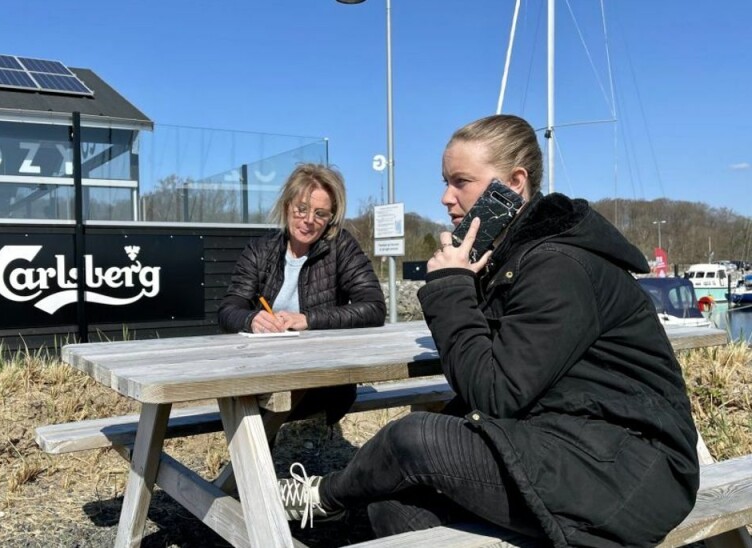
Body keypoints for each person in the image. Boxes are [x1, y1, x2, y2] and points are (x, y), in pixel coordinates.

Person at [277, 114, 699, 547]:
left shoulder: (558, 266)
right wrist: (468, 281)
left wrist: (451, 286)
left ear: (513, 184)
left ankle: (323, 495)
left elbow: (495, 392)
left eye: (461, 181)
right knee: (394, 507)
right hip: (563, 440)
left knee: (413, 436)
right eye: (446, 181)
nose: (445, 197)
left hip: (630, 468)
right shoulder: (510, 260)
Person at [218, 163, 386, 423]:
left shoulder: (341, 247)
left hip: (324, 379)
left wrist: (307, 319)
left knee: (261, 416)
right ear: (287, 207)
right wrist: (251, 319)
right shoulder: (260, 250)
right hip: (262, 373)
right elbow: (228, 310)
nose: (309, 220)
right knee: (250, 407)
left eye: (321, 213)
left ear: (331, 217)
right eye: (302, 209)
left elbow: (374, 307)